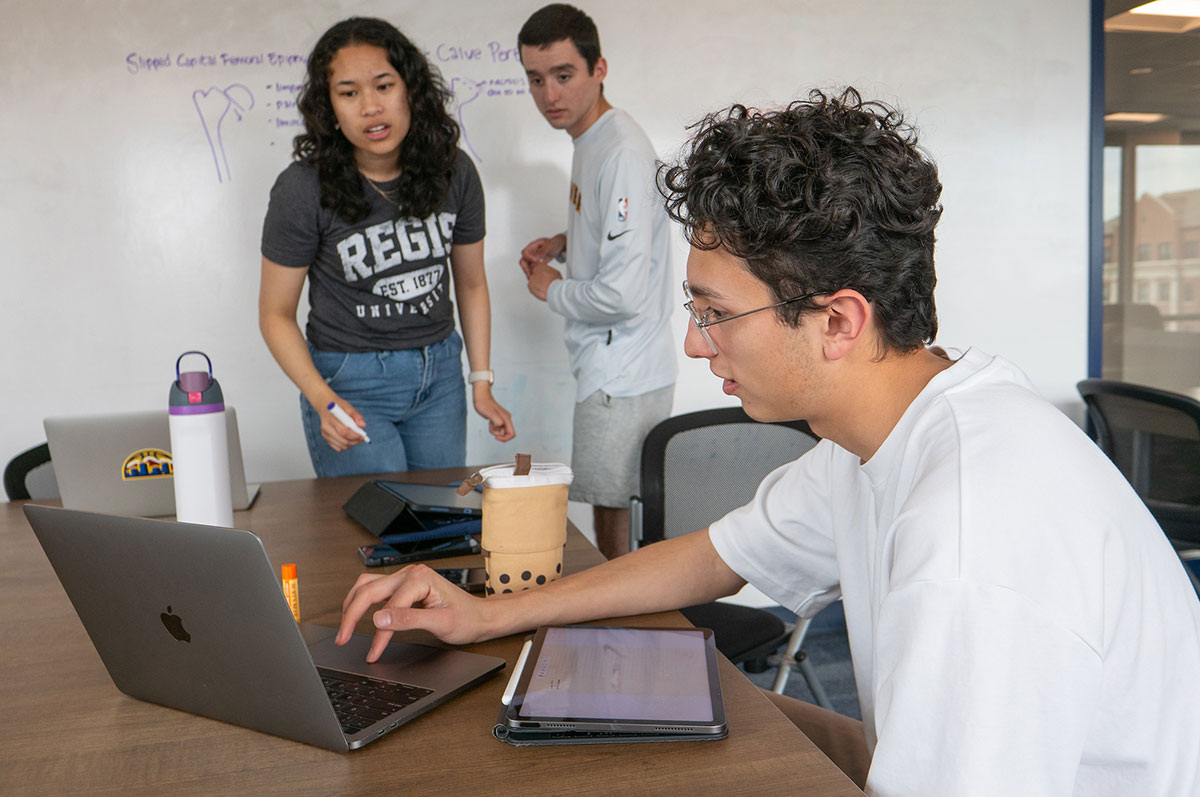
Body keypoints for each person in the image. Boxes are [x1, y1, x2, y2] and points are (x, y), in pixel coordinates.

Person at [336, 88, 1200, 795]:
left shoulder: (970, 540)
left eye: (715, 313)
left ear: (838, 321)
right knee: (706, 726)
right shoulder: (879, 435)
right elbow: (711, 556)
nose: (694, 343)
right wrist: (488, 613)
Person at [259, 17, 515, 478]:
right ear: (329, 106)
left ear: (410, 90)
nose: (371, 108)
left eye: (383, 85)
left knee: (437, 525)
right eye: (349, 92)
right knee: (375, 536)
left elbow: (472, 284)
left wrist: (480, 381)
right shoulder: (302, 189)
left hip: (439, 376)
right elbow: (276, 313)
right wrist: (324, 399)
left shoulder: (454, 171)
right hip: (350, 382)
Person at [515, 4, 677, 559]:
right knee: (609, 510)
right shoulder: (593, 140)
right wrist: (566, 239)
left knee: (613, 525)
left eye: (563, 75)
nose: (549, 94)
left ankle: (622, 638)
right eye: (536, 79)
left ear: (598, 68)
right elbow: (619, 230)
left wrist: (551, 288)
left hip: (622, 373)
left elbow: (623, 294)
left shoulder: (621, 151)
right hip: (615, 369)